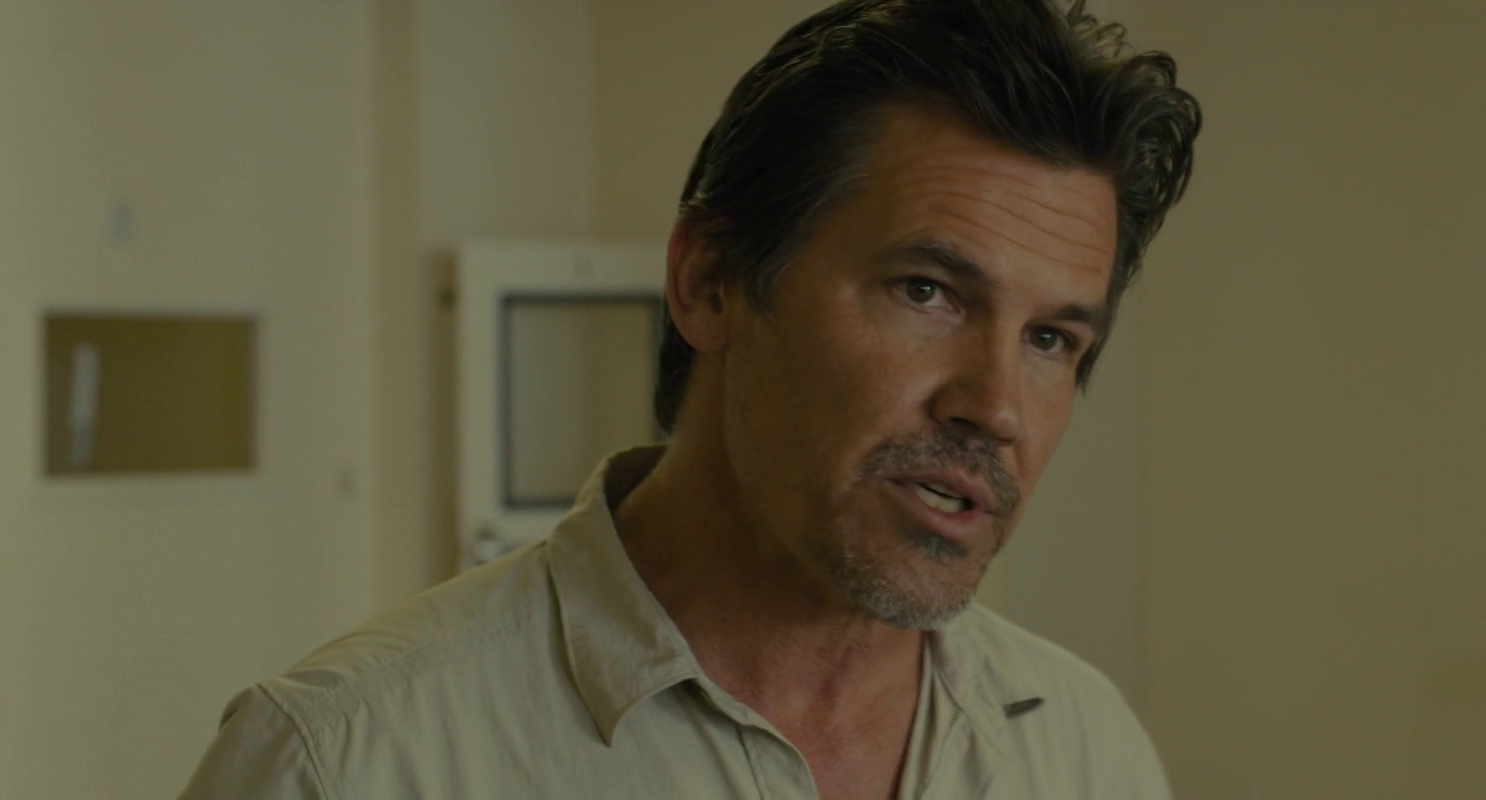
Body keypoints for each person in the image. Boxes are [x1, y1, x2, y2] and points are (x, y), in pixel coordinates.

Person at [182, 0, 1198, 796]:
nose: (998, 407)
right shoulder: (347, 761)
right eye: (927, 292)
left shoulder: (1084, 749)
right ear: (710, 282)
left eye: (1051, 339)